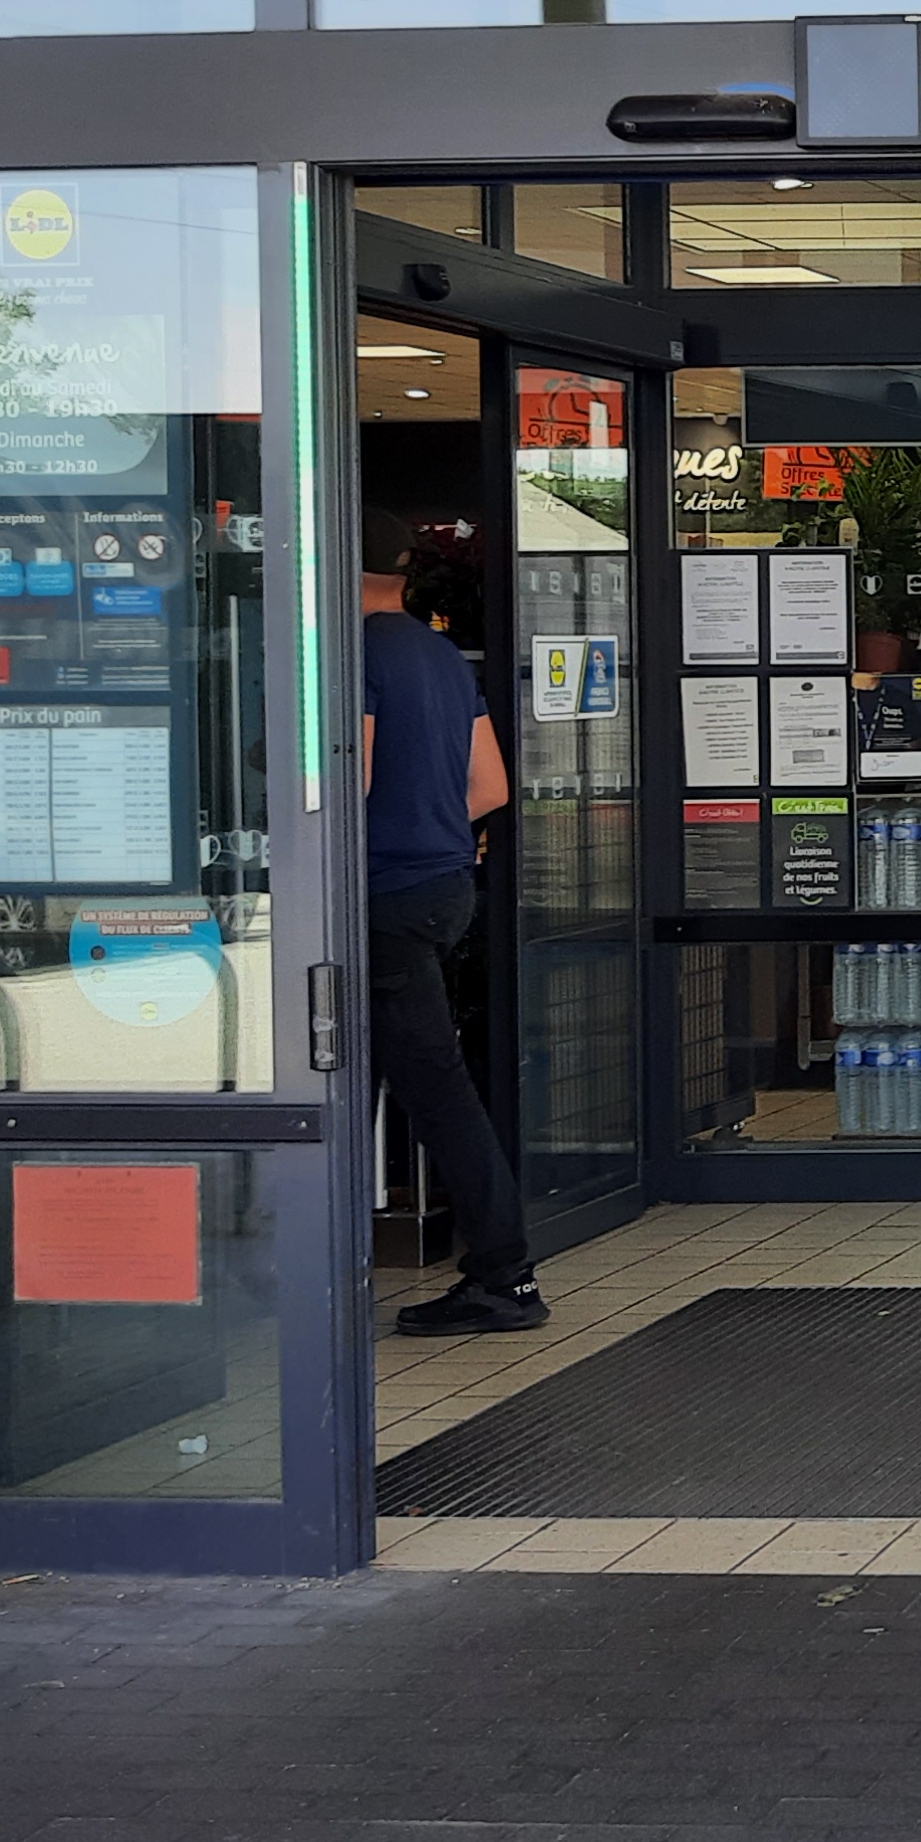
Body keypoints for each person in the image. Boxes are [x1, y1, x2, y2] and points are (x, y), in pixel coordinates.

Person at [359, 506, 534, 1334]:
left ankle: (504, 1273)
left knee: (436, 1092)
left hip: (382, 897)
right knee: (393, 1080)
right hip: (442, 886)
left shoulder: (354, 655)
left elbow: (348, 778)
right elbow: (490, 787)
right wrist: (428, 827)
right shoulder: (438, 653)